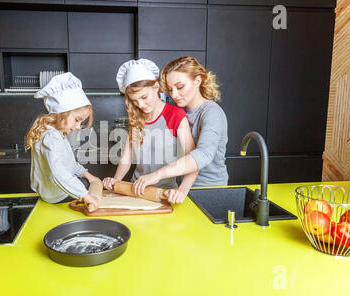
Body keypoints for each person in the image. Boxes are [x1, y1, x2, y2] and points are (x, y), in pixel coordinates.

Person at [103, 59, 198, 204]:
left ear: (156, 86)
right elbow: (127, 159)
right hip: (135, 191)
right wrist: (116, 181)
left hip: (164, 194)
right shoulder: (136, 118)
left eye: (144, 97)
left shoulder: (175, 115)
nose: (140, 105)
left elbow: (193, 160)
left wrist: (182, 190)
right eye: (134, 100)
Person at [132, 56, 228, 198]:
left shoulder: (212, 113)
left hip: (209, 189)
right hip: (180, 188)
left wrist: (157, 175)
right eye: (170, 89)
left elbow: (202, 154)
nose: (174, 94)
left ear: (197, 81)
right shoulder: (177, 112)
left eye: (180, 87)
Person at [25, 72, 100, 210]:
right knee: (96, 197)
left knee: (92, 184)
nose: (78, 126)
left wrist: (88, 175)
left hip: (58, 192)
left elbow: (69, 165)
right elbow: (59, 172)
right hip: (58, 196)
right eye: (77, 120)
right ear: (61, 114)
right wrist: (85, 195)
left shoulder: (57, 134)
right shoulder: (51, 139)